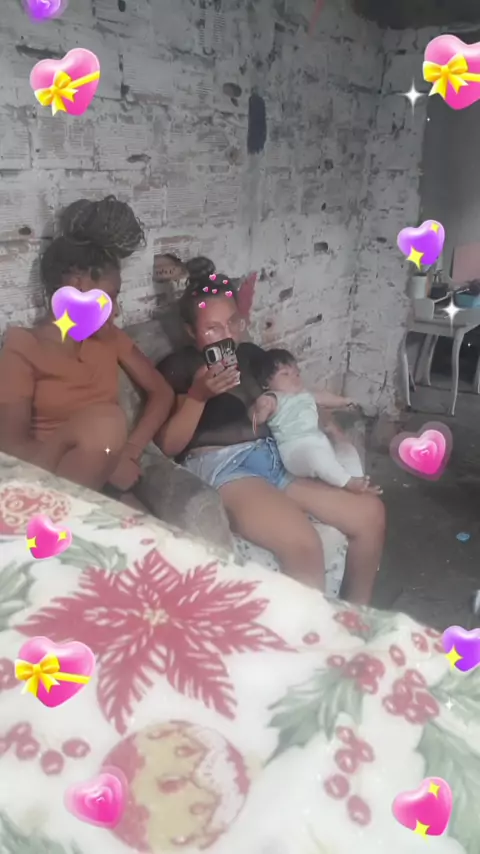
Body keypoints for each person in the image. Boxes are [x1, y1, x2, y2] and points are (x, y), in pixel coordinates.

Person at [156, 273, 385, 604]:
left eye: (233, 323)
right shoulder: (179, 366)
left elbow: (293, 395)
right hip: (225, 466)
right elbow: (168, 446)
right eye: (212, 329)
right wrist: (198, 396)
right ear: (191, 331)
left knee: (370, 513)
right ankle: (307, 634)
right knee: (303, 544)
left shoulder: (250, 355)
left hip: (276, 454)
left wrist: (331, 427)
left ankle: (353, 620)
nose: (227, 336)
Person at [0, 196, 174, 494]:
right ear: (78, 285)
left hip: (103, 482)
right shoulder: (23, 346)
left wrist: (128, 451)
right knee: (106, 422)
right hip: (48, 482)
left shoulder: (109, 337)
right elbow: (10, 449)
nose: (116, 310)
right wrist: (101, 457)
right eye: (112, 295)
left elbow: (162, 392)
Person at [250, 347, 382, 495]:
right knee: (317, 457)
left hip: (320, 442)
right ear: (266, 383)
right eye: (285, 374)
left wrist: (344, 401)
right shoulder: (271, 398)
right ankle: (348, 482)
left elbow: (325, 397)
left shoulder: (305, 393)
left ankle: (358, 482)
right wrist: (261, 410)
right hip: (296, 451)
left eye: (297, 373)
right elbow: (256, 419)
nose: (294, 378)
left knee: (347, 449)